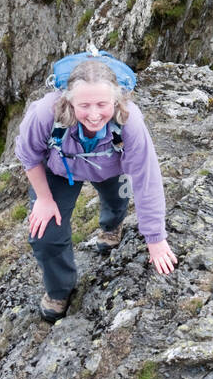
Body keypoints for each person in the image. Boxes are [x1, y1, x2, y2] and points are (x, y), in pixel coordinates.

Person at [15, 58, 178, 323]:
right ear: (69, 102)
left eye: (102, 105)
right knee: (45, 234)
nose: (93, 114)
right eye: (84, 105)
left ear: (116, 101)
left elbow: (146, 180)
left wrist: (155, 239)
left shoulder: (129, 122)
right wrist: (44, 199)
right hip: (60, 169)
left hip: (111, 165)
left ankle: (112, 226)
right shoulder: (45, 113)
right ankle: (59, 290)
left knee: (117, 201)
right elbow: (28, 155)